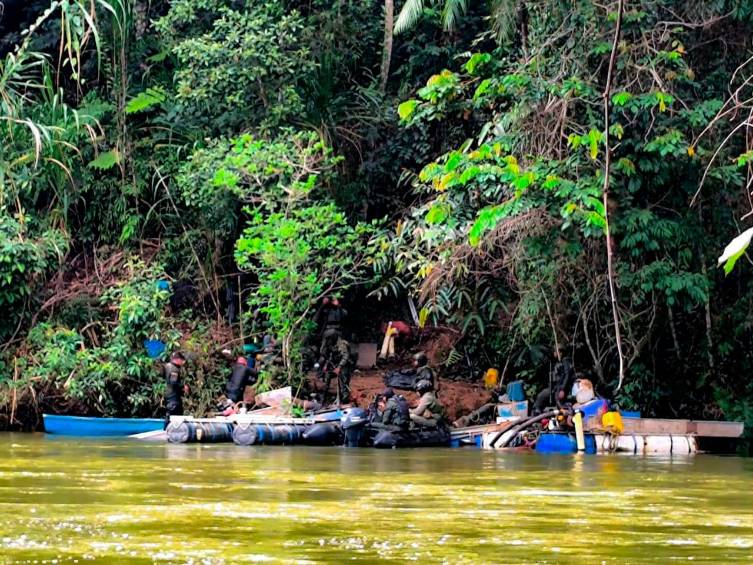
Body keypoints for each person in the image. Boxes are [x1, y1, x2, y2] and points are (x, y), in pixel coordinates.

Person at [319, 332, 353, 404]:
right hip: (334, 365)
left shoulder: (342, 345)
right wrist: (326, 365)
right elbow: (328, 355)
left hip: (344, 366)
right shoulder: (331, 344)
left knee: (343, 384)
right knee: (327, 376)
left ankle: (345, 400)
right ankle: (323, 397)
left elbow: (345, 357)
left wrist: (339, 367)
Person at [164, 351, 187, 426]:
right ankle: (167, 429)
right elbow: (173, 382)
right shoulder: (174, 369)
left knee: (174, 413)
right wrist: (183, 387)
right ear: (178, 359)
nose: (182, 363)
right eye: (182, 360)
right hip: (173, 395)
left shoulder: (167, 366)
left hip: (169, 393)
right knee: (173, 413)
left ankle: (170, 429)